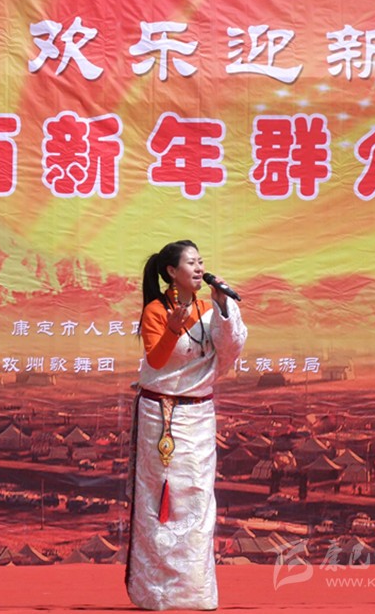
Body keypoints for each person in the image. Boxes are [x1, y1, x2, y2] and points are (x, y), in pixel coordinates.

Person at [126, 240, 247, 611]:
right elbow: (156, 360)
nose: (199, 268)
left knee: (197, 499)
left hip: (197, 416)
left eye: (201, 262)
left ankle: (195, 591)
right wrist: (173, 329)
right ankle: (155, 592)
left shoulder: (209, 311)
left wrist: (224, 306)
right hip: (159, 416)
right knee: (159, 502)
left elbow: (231, 350)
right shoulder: (156, 311)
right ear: (171, 272)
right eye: (191, 263)